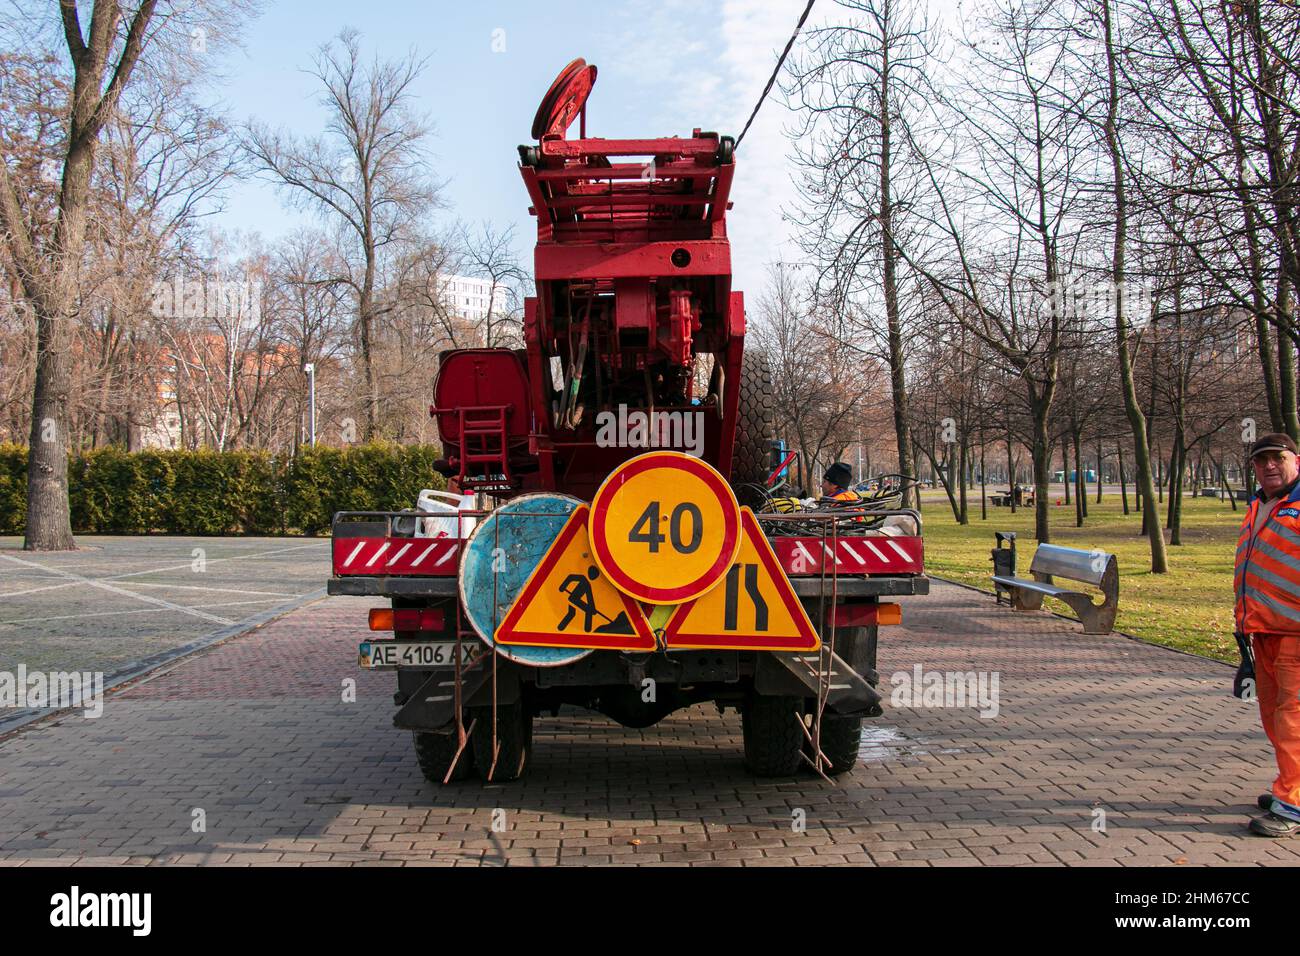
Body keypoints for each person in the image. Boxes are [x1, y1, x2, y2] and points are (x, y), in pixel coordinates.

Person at [1236, 432, 1300, 837]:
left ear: (1295, 459)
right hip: (1264, 631)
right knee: (1274, 716)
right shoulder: (1261, 505)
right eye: (1261, 461)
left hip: (1296, 632)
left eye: (1277, 458)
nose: (1269, 466)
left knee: (1293, 719)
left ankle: (1292, 804)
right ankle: (1289, 785)